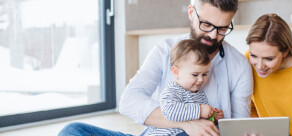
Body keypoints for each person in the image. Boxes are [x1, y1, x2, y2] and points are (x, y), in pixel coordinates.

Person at [59, 0, 253, 135]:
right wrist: (188, 124)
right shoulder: (165, 50)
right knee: (72, 131)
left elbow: (238, 126)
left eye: (222, 28)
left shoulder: (239, 66)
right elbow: (129, 102)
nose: (213, 35)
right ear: (192, 13)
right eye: (206, 25)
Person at [144, 39, 224, 136]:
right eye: (195, 74)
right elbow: (170, 111)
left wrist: (212, 117)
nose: (200, 80)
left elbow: (199, 123)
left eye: (204, 74)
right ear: (176, 72)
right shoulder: (172, 90)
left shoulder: (199, 94)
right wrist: (200, 110)